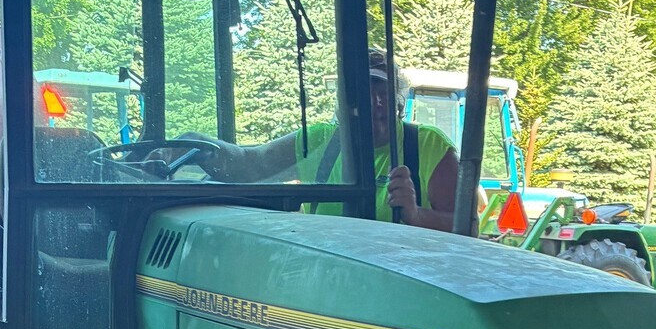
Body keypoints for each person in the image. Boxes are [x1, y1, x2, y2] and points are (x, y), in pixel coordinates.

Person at [182, 49, 459, 231]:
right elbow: (249, 165)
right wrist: (193, 145)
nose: (373, 102)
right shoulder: (318, 141)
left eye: (382, 91)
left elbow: (467, 227)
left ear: (398, 99)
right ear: (344, 100)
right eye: (361, 91)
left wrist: (415, 215)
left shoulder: (428, 146)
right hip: (328, 279)